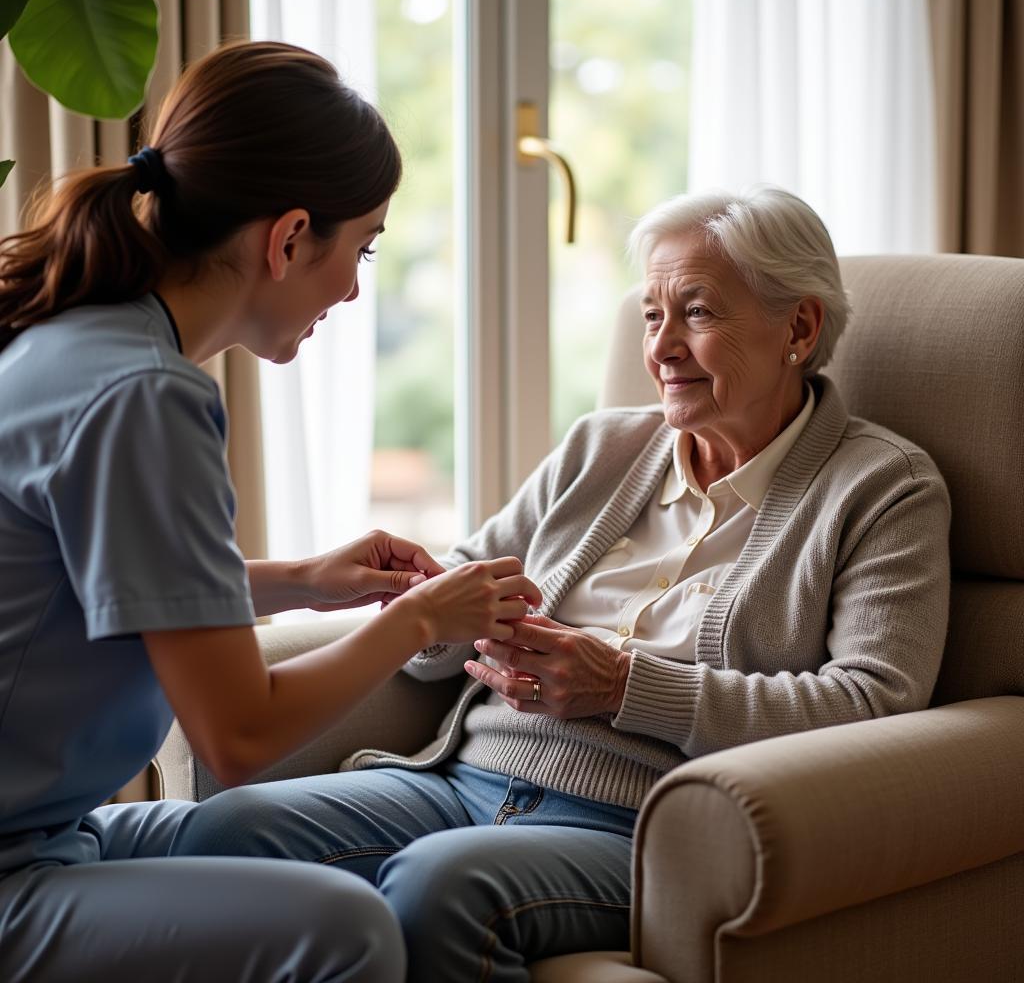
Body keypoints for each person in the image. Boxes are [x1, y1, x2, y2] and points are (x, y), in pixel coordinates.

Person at [172, 185, 953, 982]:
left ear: (800, 326)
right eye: (652, 316)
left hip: (640, 826)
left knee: (440, 887)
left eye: (698, 312)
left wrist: (622, 687)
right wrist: (435, 608)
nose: (662, 349)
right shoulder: (600, 450)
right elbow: (437, 646)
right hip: (464, 779)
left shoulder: (884, 488)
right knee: (230, 831)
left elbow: (873, 707)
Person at [0, 40, 541, 983]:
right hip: (15, 870)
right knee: (343, 929)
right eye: (360, 247)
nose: (354, 287)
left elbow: (88, 582)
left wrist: (303, 582)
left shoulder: (74, 338)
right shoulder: (146, 396)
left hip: (49, 834)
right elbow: (238, 737)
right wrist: (422, 617)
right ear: (289, 237)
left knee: (280, 853)